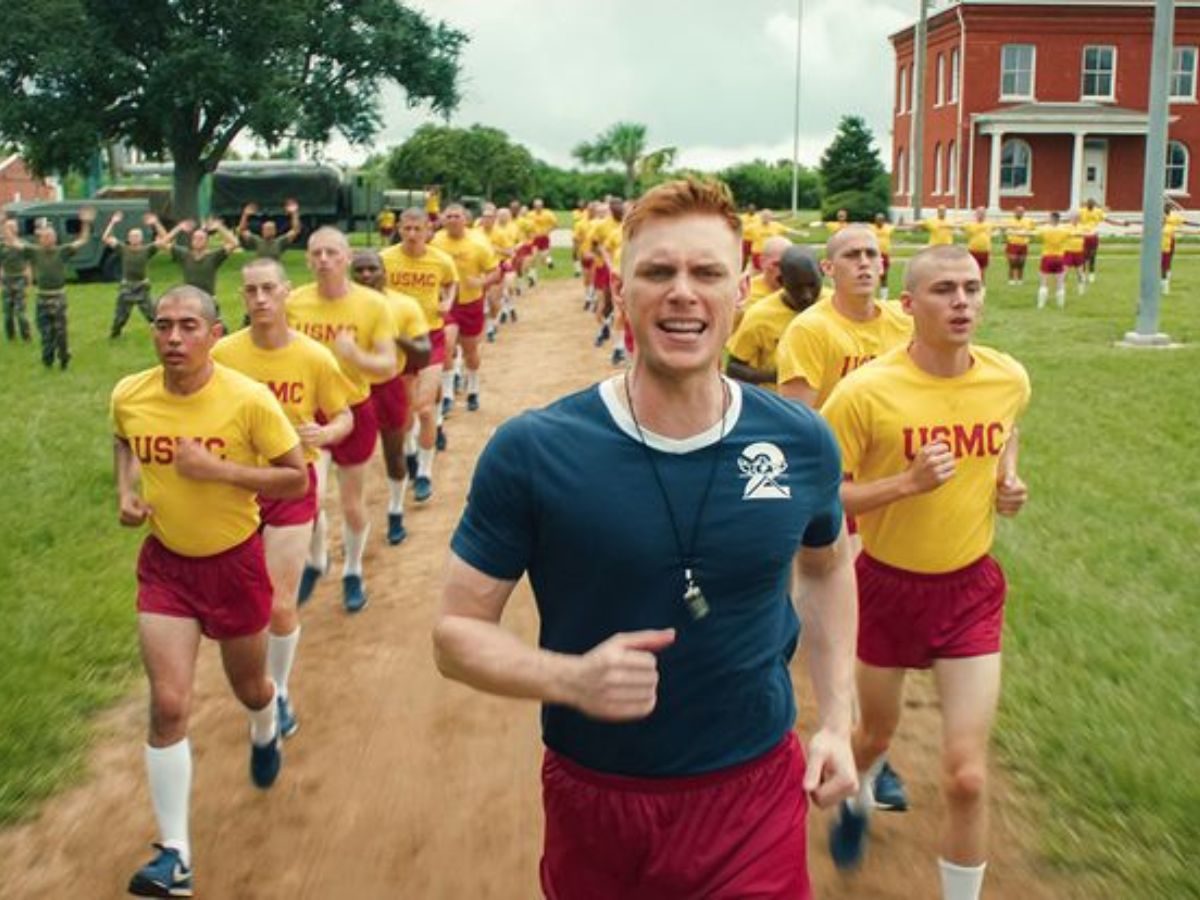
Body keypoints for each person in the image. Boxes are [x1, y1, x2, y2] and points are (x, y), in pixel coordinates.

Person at [433, 178, 858, 899]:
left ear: (741, 291)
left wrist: (838, 722)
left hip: (753, 793)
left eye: (706, 273)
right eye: (658, 272)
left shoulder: (800, 441)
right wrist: (569, 678)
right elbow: (454, 635)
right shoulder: (534, 450)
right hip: (598, 796)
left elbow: (825, 569)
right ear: (620, 288)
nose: (682, 293)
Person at [822, 245, 1030, 900]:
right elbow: (820, 494)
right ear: (909, 305)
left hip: (970, 591)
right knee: (872, 736)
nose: (962, 301)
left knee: (966, 776)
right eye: (944, 290)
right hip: (885, 588)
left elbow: (1006, 431)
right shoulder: (865, 393)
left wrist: (1006, 480)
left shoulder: (1007, 377)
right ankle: (855, 798)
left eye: (972, 288)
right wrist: (904, 484)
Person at [111, 284, 308, 897]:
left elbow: (296, 480)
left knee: (250, 688)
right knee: (169, 705)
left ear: (215, 334)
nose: (173, 337)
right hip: (166, 567)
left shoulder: (248, 400)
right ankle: (176, 855)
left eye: (188, 326)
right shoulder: (130, 394)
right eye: (163, 325)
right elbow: (123, 437)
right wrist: (126, 490)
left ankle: (265, 725)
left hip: (235, 566)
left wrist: (218, 470)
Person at [213, 257, 355, 741]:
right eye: (251, 290)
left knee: (277, 605)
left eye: (268, 289)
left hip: (292, 483)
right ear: (242, 296)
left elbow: (345, 415)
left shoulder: (313, 357)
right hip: (236, 485)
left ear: (286, 291)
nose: (260, 299)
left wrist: (326, 432)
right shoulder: (223, 354)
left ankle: (279, 690)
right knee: (240, 602)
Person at [287, 227, 398, 612]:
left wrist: (354, 356)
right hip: (306, 412)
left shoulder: (373, 305)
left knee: (351, 502)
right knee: (310, 497)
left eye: (332, 252)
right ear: (307, 260)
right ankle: (317, 559)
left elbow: (388, 365)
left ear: (347, 258)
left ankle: (353, 570)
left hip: (354, 408)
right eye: (316, 253)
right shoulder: (294, 303)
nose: (324, 260)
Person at [778, 225, 914, 409]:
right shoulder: (808, 330)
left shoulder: (907, 320)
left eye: (871, 254)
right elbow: (797, 417)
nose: (864, 262)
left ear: (881, 265)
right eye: (851, 255)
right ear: (828, 268)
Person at [350, 249, 431, 544]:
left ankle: (395, 510)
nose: (366, 275)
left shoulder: (404, 305)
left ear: (384, 272)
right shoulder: (340, 307)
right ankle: (351, 524)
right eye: (359, 270)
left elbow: (423, 354)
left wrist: (392, 335)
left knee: (393, 454)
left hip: (387, 386)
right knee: (350, 463)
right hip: (348, 388)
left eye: (372, 269)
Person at [380, 208, 458, 499]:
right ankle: (411, 452)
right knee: (404, 413)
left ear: (428, 230)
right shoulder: (385, 259)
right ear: (399, 229)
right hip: (398, 340)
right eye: (407, 229)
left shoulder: (441, 260)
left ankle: (424, 473)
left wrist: (447, 301)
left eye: (417, 229)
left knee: (425, 409)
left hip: (430, 337)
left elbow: (451, 282)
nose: (412, 234)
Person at [431, 203, 499, 416]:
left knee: (470, 351)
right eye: (449, 216)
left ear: (466, 219)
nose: (452, 220)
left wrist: (481, 282)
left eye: (457, 216)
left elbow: (495, 271)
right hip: (446, 304)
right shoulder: (435, 241)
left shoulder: (478, 242)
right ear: (443, 219)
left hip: (470, 302)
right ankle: (448, 394)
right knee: (447, 345)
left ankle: (473, 389)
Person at [8, 207, 96, 369]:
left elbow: (82, 240)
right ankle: (47, 360)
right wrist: (3, 224)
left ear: (55, 238)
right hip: (42, 298)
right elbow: (13, 242)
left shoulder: (62, 251)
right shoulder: (34, 252)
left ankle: (64, 358)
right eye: (45, 236)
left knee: (61, 333)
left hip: (58, 298)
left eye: (51, 236)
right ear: (40, 239)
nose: (48, 239)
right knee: (45, 333)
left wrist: (86, 223)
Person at [726, 245, 823, 390]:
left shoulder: (834, 305)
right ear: (782, 281)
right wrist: (777, 376)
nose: (806, 295)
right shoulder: (759, 316)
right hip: (777, 399)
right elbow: (734, 368)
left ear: (822, 274)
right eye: (797, 288)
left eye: (812, 285)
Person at [101, 210, 174, 338]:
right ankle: (115, 334)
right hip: (127, 287)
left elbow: (166, 239)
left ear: (141, 238)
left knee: (153, 315)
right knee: (120, 317)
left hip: (142, 287)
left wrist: (156, 223)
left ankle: (164, 334)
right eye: (132, 236)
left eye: (137, 236)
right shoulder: (123, 249)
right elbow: (105, 238)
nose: (135, 238)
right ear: (129, 239)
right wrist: (112, 222)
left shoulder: (147, 250)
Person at [170, 217, 240, 325]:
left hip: (209, 301)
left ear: (207, 242)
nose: (197, 240)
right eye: (195, 238)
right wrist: (178, 228)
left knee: (218, 330)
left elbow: (235, 243)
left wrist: (219, 227)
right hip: (190, 301)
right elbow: (162, 243)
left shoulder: (214, 257)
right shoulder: (184, 255)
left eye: (201, 238)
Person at [0, 216, 33, 342]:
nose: (11, 229)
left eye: (13, 227)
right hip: (7, 280)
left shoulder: (23, 245)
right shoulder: (2, 246)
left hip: (20, 280)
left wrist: (29, 283)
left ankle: (26, 336)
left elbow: (28, 265)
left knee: (20, 313)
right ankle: (11, 337)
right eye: (8, 227)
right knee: (7, 314)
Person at [237, 200, 301, 259]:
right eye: (266, 229)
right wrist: (245, 215)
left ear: (275, 231)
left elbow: (295, 230)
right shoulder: (257, 241)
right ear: (262, 231)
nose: (268, 231)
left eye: (270, 229)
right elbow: (242, 231)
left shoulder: (280, 242)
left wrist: (294, 213)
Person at [1000, 206, 1035, 286]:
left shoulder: (1028, 221)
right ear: (1014, 212)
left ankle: (1020, 280)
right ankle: (1011, 280)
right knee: (1012, 263)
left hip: (1023, 245)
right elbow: (1002, 230)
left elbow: (1033, 231)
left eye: (1021, 211)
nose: (1020, 213)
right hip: (1012, 244)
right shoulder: (1009, 221)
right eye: (1018, 211)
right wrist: (1006, 235)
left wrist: (1029, 237)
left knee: (1021, 263)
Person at [961, 208, 994, 277]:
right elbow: (960, 227)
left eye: (982, 213)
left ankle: (981, 283)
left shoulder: (989, 225)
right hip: (973, 250)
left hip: (985, 251)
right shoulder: (970, 225)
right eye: (979, 213)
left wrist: (991, 254)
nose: (981, 215)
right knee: (972, 269)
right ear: (976, 214)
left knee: (982, 270)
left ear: (985, 215)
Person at [870, 213, 896, 300]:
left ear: (884, 221)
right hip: (874, 255)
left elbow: (900, 227)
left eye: (882, 219)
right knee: (871, 275)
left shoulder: (888, 228)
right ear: (875, 220)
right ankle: (871, 296)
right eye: (878, 219)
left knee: (884, 276)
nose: (880, 221)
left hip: (884, 255)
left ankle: (884, 298)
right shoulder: (871, 228)